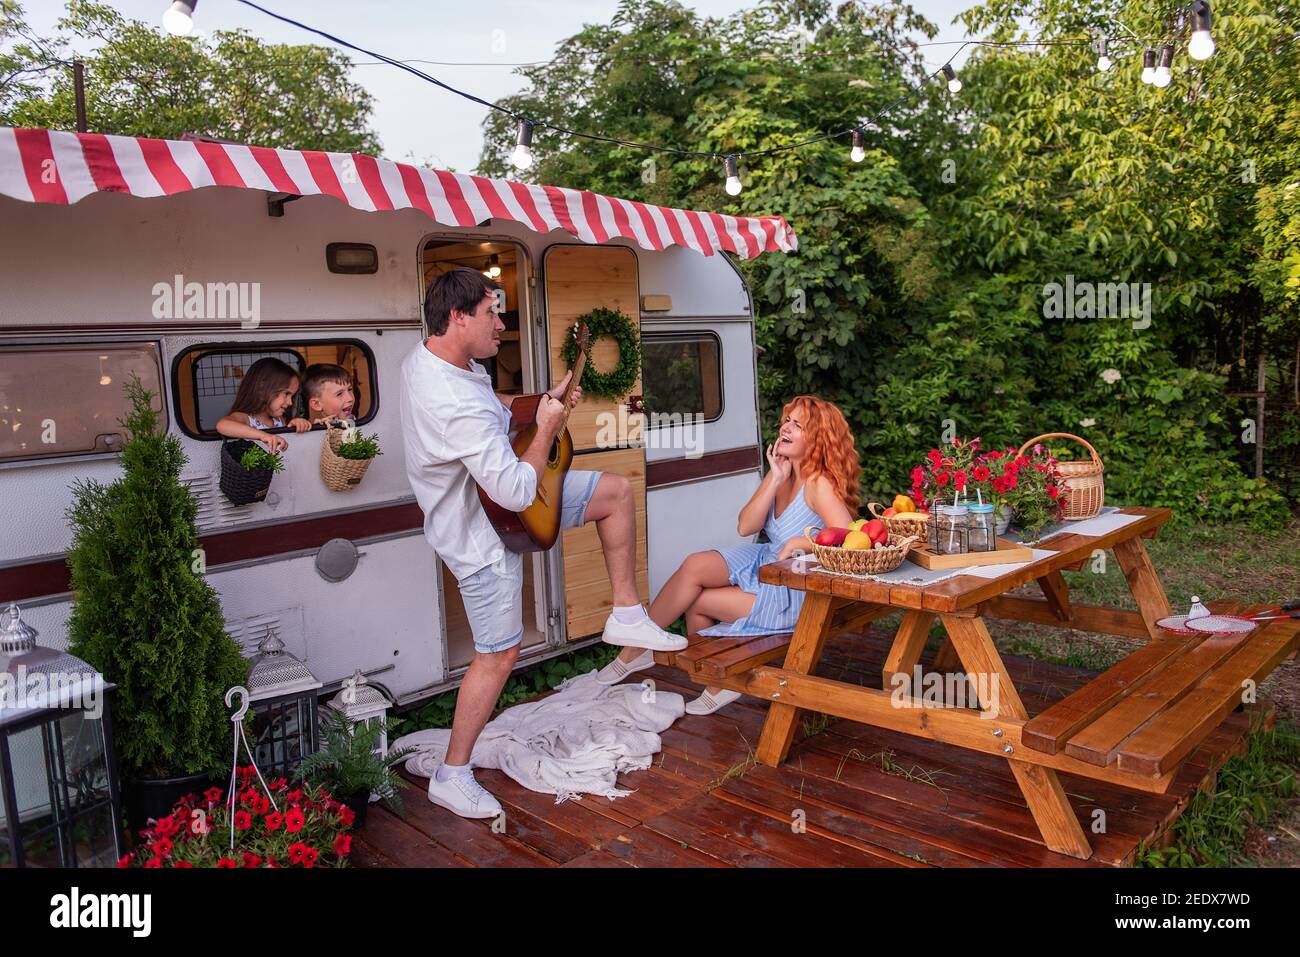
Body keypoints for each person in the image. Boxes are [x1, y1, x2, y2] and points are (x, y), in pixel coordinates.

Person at [400, 266, 686, 820]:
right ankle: (451, 774)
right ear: (458, 316)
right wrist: (550, 429)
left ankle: (626, 612)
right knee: (498, 654)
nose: (502, 325)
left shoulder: (449, 361)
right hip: (481, 534)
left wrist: (542, 402)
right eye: (492, 313)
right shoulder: (444, 397)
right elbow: (510, 489)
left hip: (510, 501)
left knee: (613, 492)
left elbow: (498, 406)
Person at [595, 396, 861, 715]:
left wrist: (805, 542)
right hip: (767, 561)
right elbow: (745, 525)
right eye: (786, 420)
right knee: (695, 566)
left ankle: (718, 681)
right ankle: (642, 651)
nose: (785, 427)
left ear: (817, 437)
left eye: (797, 424)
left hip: (795, 589)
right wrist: (774, 477)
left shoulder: (819, 484)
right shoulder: (783, 473)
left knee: (696, 600)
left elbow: (849, 537)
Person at [215, 357, 312, 453]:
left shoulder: (280, 420)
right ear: (262, 389)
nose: (290, 402)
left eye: (292, 396)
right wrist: (263, 435)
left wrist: (296, 424)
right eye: (286, 394)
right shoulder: (246, 418)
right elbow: (222, 425)